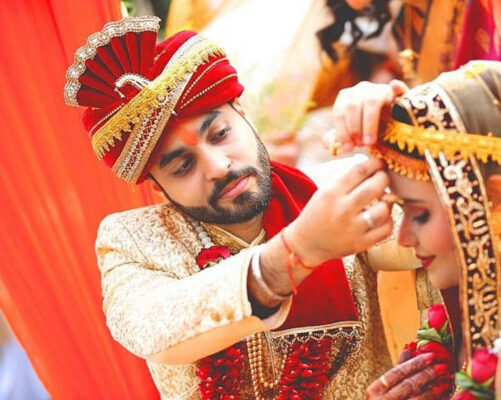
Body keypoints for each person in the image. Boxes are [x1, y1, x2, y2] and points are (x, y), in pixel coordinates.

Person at [63, 16, 418, 399]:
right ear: (156, 186)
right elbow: (148, 327)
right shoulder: (133, 240)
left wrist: (408, 127)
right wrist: (299, 251)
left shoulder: (335, 190)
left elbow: (434, 231)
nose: (218, 167)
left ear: (244, 114)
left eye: (220, 134)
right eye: (183, 166)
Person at [327, 61, 501, 398]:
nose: (404, 238)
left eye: (419, 213)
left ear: (495, 200)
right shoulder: (484, 293)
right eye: (401, 209)